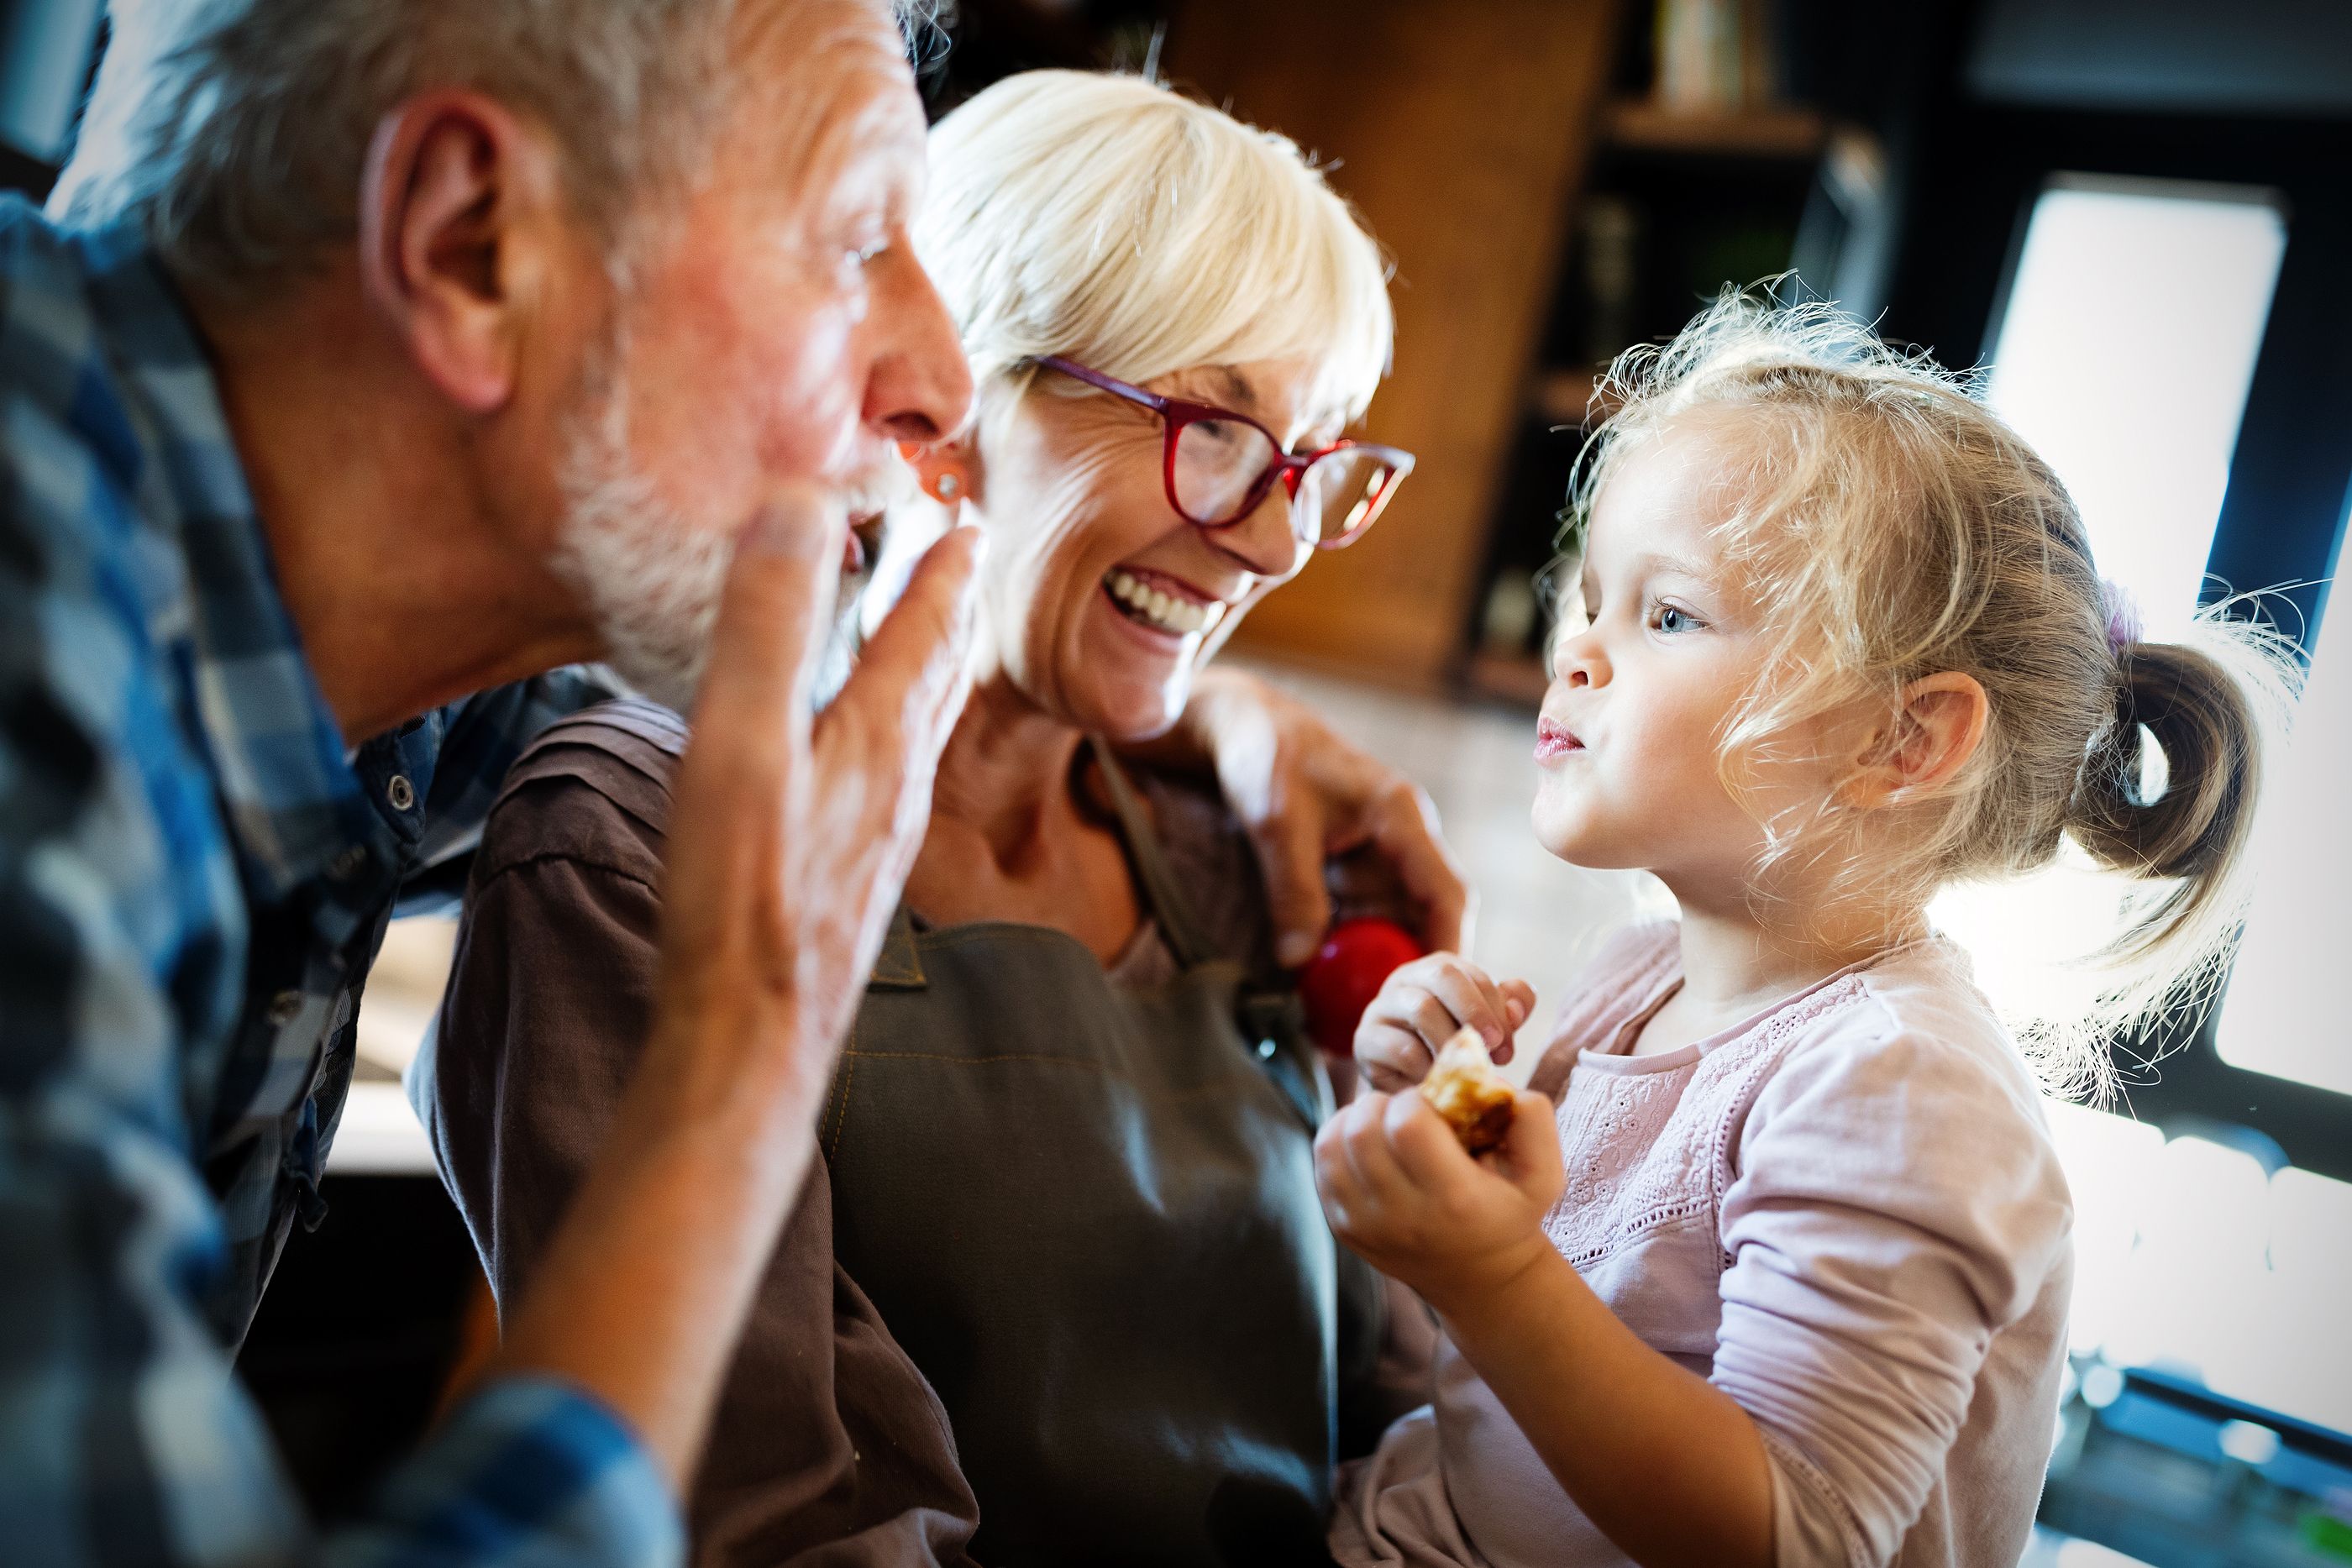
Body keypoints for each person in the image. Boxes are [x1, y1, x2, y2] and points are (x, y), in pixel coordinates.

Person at [0, 4, 1464, 1563]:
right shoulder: (44, 701)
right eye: (852, 242)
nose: (935, 387)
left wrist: (1189, 704)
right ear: (472, 241)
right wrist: (738, 1060)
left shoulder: (365, 695)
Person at [419, 70, 1454, 1568]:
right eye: (1214, 434)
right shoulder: (635, 847)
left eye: (1311, 463)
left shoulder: (1249, 877)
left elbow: (1406, 1423)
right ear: (949, 415)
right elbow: (785, 1523)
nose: (1280, 541)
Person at [1313, 295, 2299, 1568]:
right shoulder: (1637, 976)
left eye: (1666, 615)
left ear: (1907, 742)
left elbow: (1798, 1538)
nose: (1579, 651)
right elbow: (1500, 1392)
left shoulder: (1902, 1085)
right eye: (1589, 596)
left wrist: (1495, 1274)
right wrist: (1431, 1132)